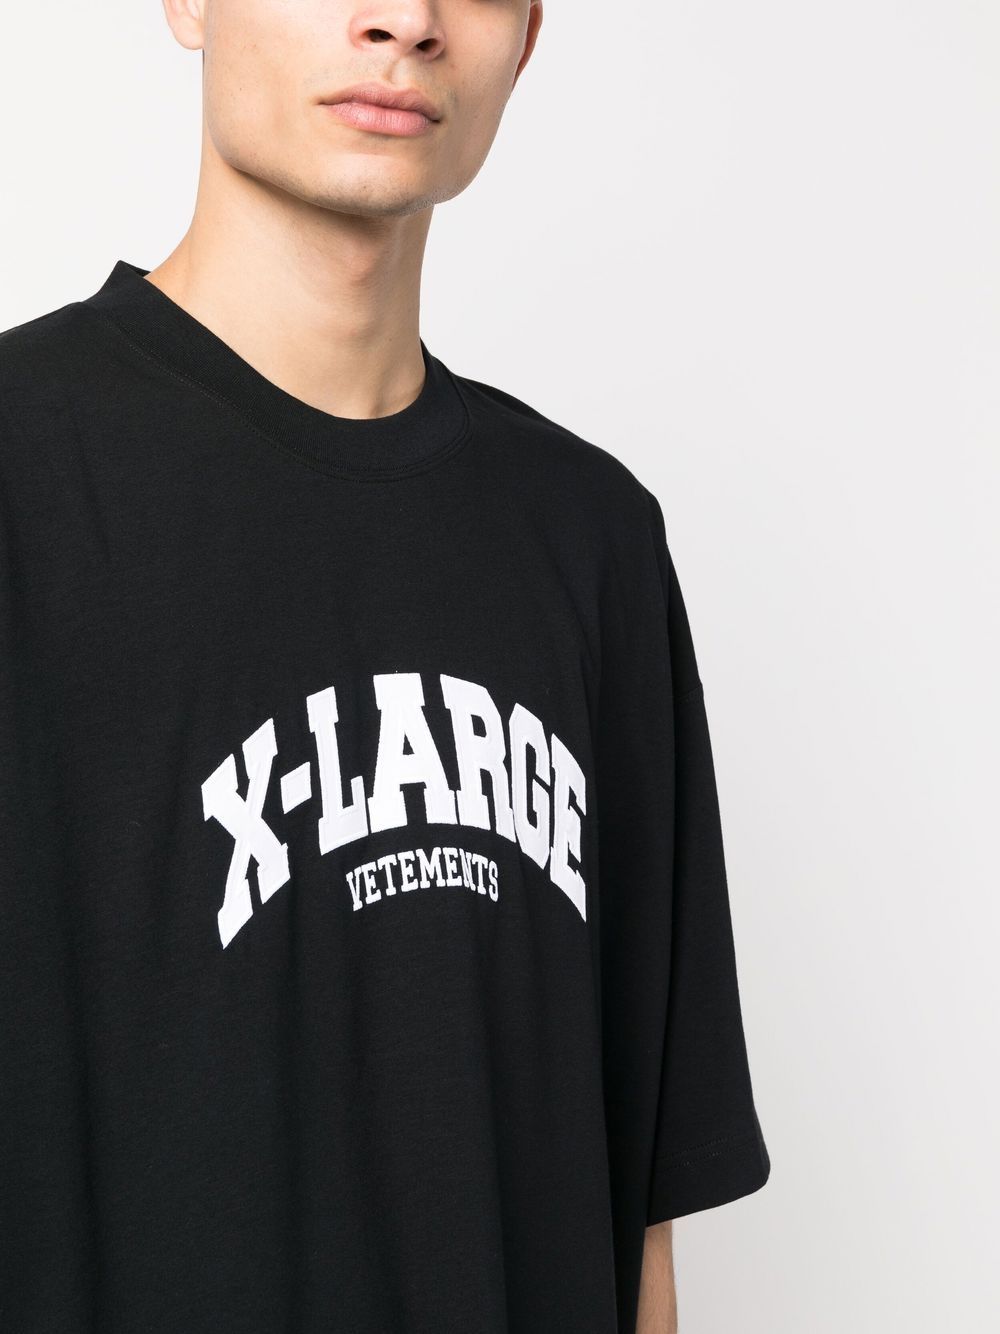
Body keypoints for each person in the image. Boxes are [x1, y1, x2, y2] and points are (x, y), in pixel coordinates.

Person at [0, 2, 770, 1330]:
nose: (404, 20)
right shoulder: (26, 480)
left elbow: (638, 1196)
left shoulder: (594, 544)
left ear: (528, 36)